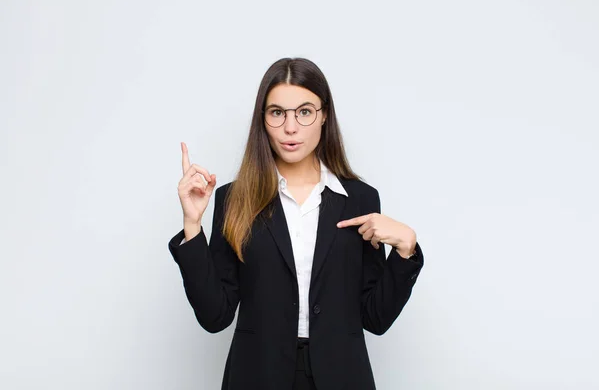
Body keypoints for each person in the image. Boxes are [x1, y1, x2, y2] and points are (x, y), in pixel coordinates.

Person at [167, 57, 424, 390]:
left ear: (324, 115)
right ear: (263, 119)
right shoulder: (235, 199)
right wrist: (192, 225)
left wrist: (406, 250)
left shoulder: (361, 199)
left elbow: (374, 318)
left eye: (304, 112)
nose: (291, 128)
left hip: (342, 377)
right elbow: (215, 316)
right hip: (257, 376)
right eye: (277, 113)